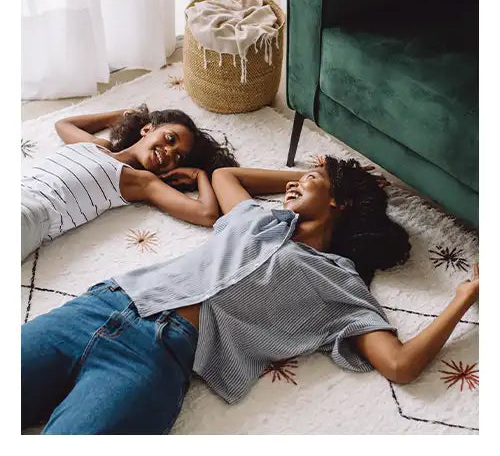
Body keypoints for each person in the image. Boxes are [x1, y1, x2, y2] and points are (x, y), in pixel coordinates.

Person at [21, 156, 479, 434]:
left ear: (340, 203)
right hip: (101, 306)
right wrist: (312, 180)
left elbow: (399, 365)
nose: (291, 184)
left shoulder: (339, 282)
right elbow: (225, 174)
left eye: (311, 178)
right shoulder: (255, 219)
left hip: (155, 359)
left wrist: (465, 295)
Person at [21, 104, 238, 261]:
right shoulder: (97, 145)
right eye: (170, 139)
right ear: (147, 129)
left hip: (32, 212)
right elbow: (64, 124)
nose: (169, 152)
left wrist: (199, 176)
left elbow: (207, 214)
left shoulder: (139, 180)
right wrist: (123, 114)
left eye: (178, 157)